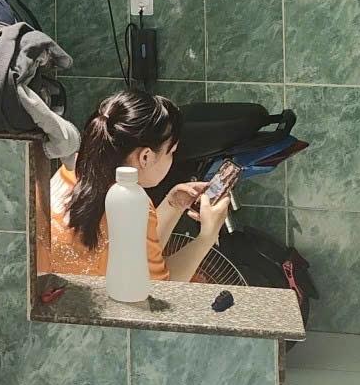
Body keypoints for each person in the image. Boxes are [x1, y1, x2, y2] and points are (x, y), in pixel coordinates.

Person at [42, 90, 230, 283]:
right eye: (171, 152)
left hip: (50, 293)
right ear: (145, 157)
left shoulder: (72, 171)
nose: (172, 159)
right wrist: (208, 235)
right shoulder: (131, 203)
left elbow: (136, 253)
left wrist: (173, 204)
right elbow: (159, 288)